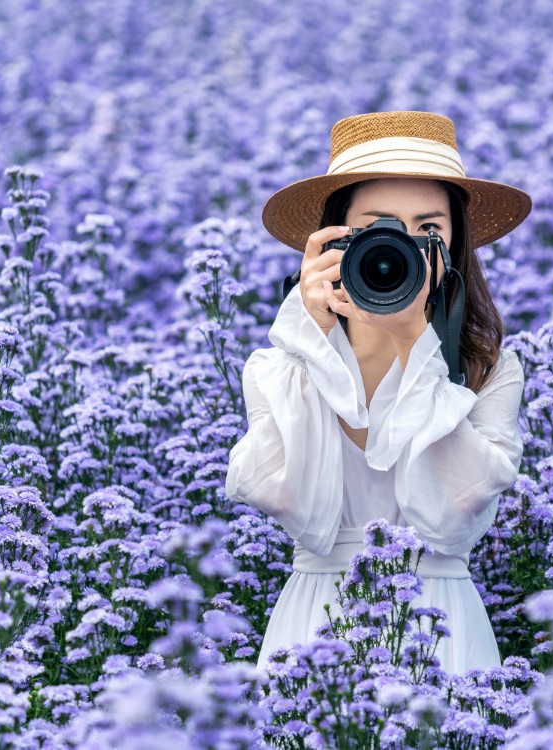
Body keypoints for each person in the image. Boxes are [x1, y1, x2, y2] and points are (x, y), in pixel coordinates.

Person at [225, 110, 532, 675]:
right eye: (380, 228)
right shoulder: (280, 368)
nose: (405, 251)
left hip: (440, 631)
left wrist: (416, 343)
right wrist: (312, 340)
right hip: (314, 630)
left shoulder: (487, 369)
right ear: (335, 240)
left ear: (456, 243)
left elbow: (452, 520)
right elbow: (289, 503)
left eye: (429, 230)